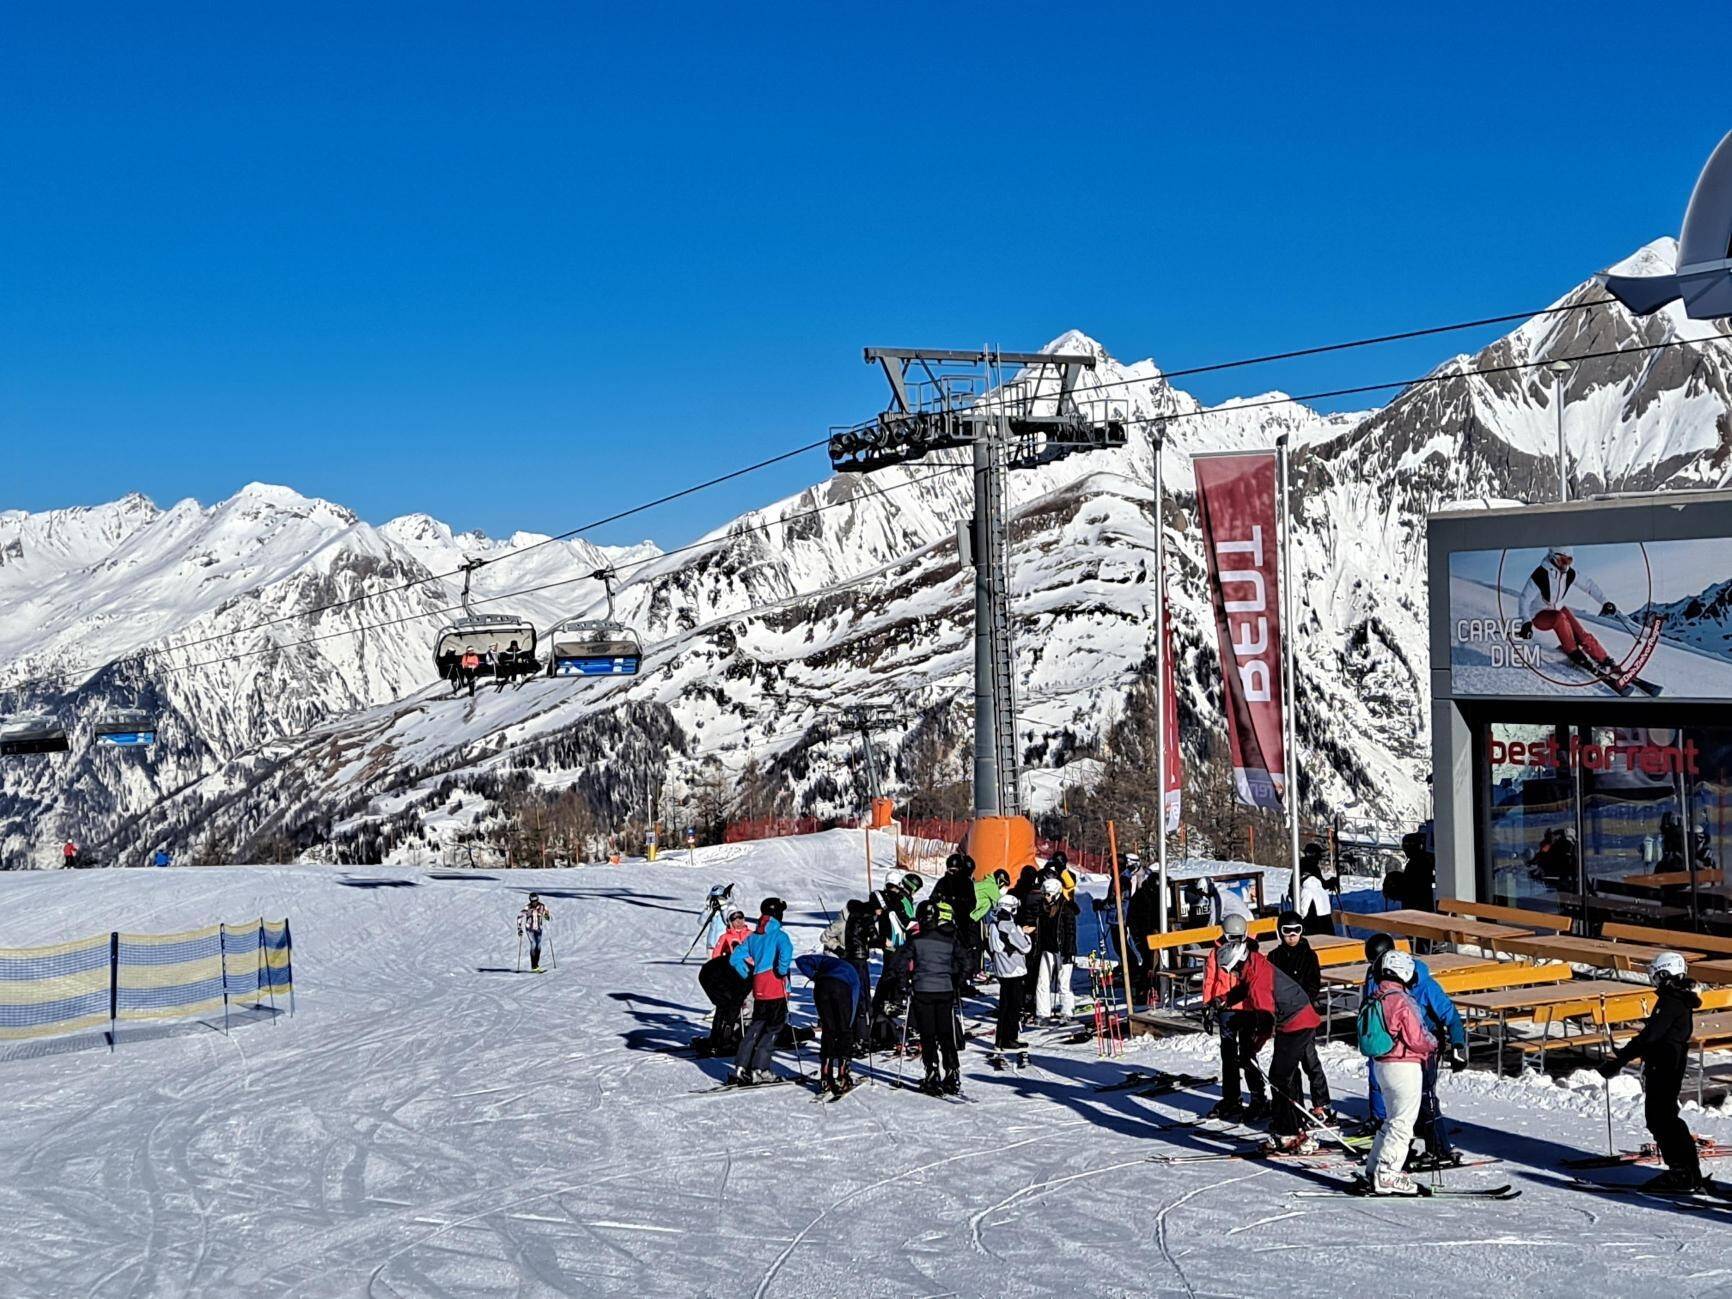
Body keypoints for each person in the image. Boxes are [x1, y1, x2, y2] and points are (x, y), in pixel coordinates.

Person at [1598, 951, 1706, 1191]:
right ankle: (1688, 1170)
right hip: (1668, 1062)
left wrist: (1619, 1060)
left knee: (1661, 1119)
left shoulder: (1672, 1000)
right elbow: (1655, 1034)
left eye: (1655, 974)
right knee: (1664, 1117)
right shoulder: (1677, 998)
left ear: (1665, 974)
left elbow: (1650, 1037)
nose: (1653, 979)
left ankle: (1682, 1173)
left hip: (1665, 1065)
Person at [1359, 932, 1468, 1165]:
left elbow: (1450, 1016)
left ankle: (1439, 1148)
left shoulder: (1424, 985)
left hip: (1425, 1043)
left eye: (1377, 963)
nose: (1375, 969)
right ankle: (1397, 1146)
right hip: (1395, 1047)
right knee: (1394, 1099)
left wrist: (1458, 1045)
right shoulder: (1376, 976)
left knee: (1424, 1096)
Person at [1213, 934, 1324, 1152]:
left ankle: (1289, 1131)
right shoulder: (1254, 964)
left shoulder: (1259, 984)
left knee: (1279, 1078)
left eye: (1233, 970)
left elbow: (1266, 1022)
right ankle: (1290, 1124)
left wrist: (1252, 1049)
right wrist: (1225, 999)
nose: (1233, 974)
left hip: (1297, 1023)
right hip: (1292, 1020)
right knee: (1284, 1075)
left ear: (1240, 962)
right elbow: (1244, 987)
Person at [1359, 948, 1438, 1196]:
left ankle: (1374, 1168)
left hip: (1382, 1064)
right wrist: (1435, 1042)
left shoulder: (1376, 996)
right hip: (1404, 1065)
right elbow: (1417, 1038)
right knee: (1403, 1123)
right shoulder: (1401, 999)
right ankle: (1387, 1174)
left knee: (1392, 1120)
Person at [887, 899, 969, 1094]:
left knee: (928, 1034)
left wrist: (904, 984)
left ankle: (932, 1073)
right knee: (946, 1033)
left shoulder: (916, 940)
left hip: (923, 989)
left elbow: (899, 964)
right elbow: (966, 962)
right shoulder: (949, 939)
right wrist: (956, 981)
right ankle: (952, 1072)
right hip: (945, 990)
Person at [1200, 913, 1268, 1121]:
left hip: (1247, 1008)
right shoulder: (1216, 952)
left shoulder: (1252, 952)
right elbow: (1210, 979)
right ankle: (1231, 1097)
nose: (1235, 942)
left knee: (1247, 1054)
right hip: (1226, 1008)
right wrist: (1207, 1005)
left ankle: (1258, 1097)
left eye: (1239, 937)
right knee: (1228, 1054)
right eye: (1231, 938)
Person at [1515, 546, 1622, 677]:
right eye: (1563, 561)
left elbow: (1588, 585)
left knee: (1581, 634)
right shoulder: (1541, 574)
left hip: (1558, 609)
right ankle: (1574, 653)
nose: (1566, 565)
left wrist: (1605, 602)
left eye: (1569, 561)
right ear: (1553, 557)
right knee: (1560, 617)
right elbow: (1524, 599)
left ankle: (1605, 659)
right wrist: (1526, 622)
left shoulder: (1570, 573)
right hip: (1539, 615)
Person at [1266, 910, 1332, 1121]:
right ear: (1280, 932)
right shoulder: (1274, 957)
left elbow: (1314, 984)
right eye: (1287, 931)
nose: (1292, 935)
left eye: (1297, 930)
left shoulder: (1309, 955)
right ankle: (1294, 1104)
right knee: (1289, 1064)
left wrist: (1301, 1002)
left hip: (1304, 1016)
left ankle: (1321, 1103)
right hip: (1284, 1018)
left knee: (1310, 1060)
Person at [728, 897, 795, 1086]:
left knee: (756, 1026)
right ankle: (760, 1068)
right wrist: (781, 970)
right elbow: (786, 953)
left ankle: (741, 1067)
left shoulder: (753, 936)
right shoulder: (780, 935)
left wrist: (746, 973)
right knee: (774, 1027)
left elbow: (734, 958)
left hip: (759, 986)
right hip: (775, 986)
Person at [795, 953, 862, 1097]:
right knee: (844, 1031)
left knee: (828, 1030)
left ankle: (825, 1074)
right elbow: (855, 997)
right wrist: (849, 1023)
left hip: (821, 987)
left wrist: (814, 976)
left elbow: (800, 960)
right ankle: (843, 1075)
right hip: (842, 988)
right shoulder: (852, 972)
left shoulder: (825, 961)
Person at [697, 910, 752, 1058]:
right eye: (735, 919)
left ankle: (731, 1036)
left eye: (741, 917)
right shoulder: (725, 937)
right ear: (730, 922)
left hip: (744, 975)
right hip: (730, 976)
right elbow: (716, 956)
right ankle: (724, 1038)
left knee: (741, 1006)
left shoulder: (751, 935)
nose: (739, 921)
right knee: (730, 1006)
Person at [986, 894, 1033, 1066]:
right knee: (1013, 1006)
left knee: (1005, 1005)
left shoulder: (994, 923)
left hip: (1001, 968)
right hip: (1013, 969)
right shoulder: (1008, 925)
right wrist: (1024, 933)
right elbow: (1025, 947)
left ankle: (1001, 1039)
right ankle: (1009, 1038)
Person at [1032, 876, 1080, 1022]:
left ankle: (1067, 1011)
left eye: (1048, 894)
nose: (1045, 897)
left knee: (1063, 983)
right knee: (1042, 981)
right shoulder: (1042, 908)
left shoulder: (1066, 909)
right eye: (1044, 894)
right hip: (1047, 949)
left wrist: (1069, 952)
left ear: (1056, 894)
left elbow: (1071, 932)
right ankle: (1043, 1013)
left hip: (1063, 950)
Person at [842, 894, 882, 1049]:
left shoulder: (852, 916)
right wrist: (884, 942)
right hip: (859, 960)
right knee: (863, 996)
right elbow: (874, 937)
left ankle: (853, 1033)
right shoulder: (866, 917)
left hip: (849, 958)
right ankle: (863, 1035)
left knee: (854, 995)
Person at [1297, 844, 1335, 936]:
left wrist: (1330, 882)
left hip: (1314, 908)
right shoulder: (1308, 867)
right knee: (1320, 933)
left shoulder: (1302, 866)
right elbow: (1319, 885)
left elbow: (1320, 885)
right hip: (1313, 910)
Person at [517, 893, 552, 971]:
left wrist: (547, 916)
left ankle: (536, 964)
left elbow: (548, 915)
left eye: (535, 900)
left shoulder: (542, 906)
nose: (534, 903)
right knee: (533, 944)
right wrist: (519, 928)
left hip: (539, 929)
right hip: (530, 929)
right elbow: (519, 916)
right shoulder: (527, 908)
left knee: (538, 945)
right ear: (530, 900)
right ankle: (534, 966)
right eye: (532, 901)